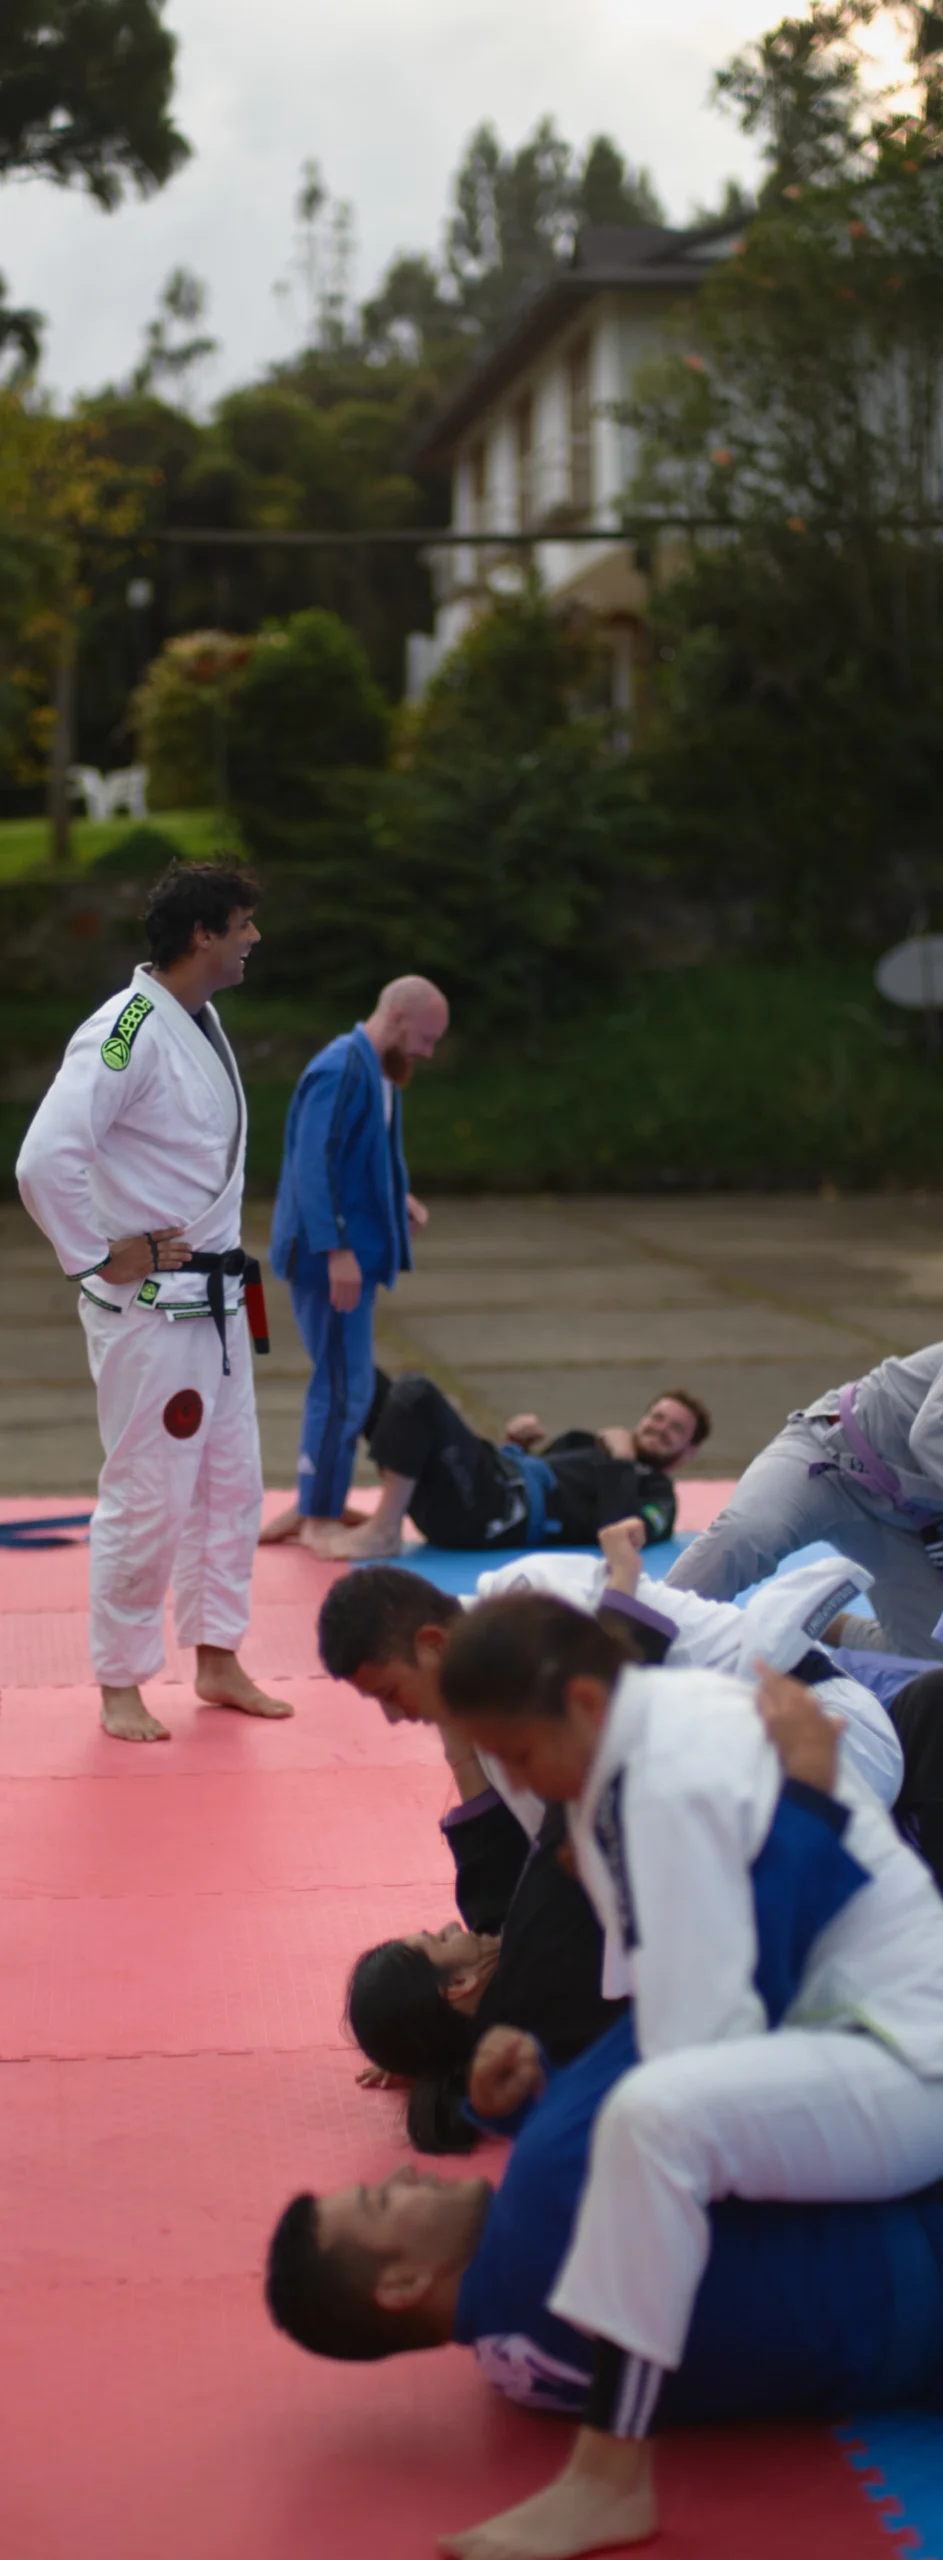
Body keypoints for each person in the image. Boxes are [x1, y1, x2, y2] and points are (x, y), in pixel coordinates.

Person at [433, 1597, 943, 2558]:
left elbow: (710, 2036)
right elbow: (659, 2016)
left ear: (583, 1701)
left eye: (519, 1753)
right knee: (648, 2111)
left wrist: (809, 1802)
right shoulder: (618, 1772)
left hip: (906, 2057)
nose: (522, 1784)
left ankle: (608, 2478)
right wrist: (549, 2074)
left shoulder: (667, 1775)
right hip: (845, 2039)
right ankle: (605, 2476)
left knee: (656, 2120)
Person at [264, 2011, 943, 2438]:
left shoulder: (509, 2366)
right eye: (383, 2202)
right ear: (405, 2282)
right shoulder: (541, 2198)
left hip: (899, 2352)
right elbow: (690, 2005)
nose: (403, 2175)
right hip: (910, 2248)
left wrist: (535, 2107)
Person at [16, 861, 290, 1745]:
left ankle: (216, 1655)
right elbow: (43, 1159)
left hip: (216, 1294)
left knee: (229, 1483)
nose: (253, 938)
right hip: (154, 1304)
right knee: (148, 1491)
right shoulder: (127, 1028)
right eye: (242, 923)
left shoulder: (200, 1021)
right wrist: (101, 1256)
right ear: (203, 934)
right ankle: (122, 1680)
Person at [261, 979, 449, 1551]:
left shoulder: (376, 1069)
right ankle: (316, 1514)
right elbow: (314, 1168)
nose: (428, 1052)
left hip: (343, 1253)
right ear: (395, 1016)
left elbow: (366, 1156)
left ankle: (317, 1499)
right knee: (343, 1385)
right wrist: (338, 1250)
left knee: (345, 1382)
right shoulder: (342, 1070)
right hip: (330, 1259)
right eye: (425, 1037)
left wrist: (399, 1201)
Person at [666, 1341, 943, 1662]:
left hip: (905, 1520)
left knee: (931, 1658)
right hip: (826, 1458)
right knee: (744, 1536)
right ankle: (633, 1636)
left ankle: (836, 1628)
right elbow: (930, 1433)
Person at [304, 1373, 709, 1560]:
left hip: (485, 1517)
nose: (661, 1428)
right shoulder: (586, 1443)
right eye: (657, 1417)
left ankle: (383, 1530)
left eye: (676, 1429)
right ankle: (318, 1503)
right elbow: (537, 1481)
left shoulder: (659, 1497)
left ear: (687, 1452)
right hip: (485, 1485)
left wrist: (622, 1463)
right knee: (361, 1379)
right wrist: (515, 1445)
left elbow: (618, 1535)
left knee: (417, 1394)